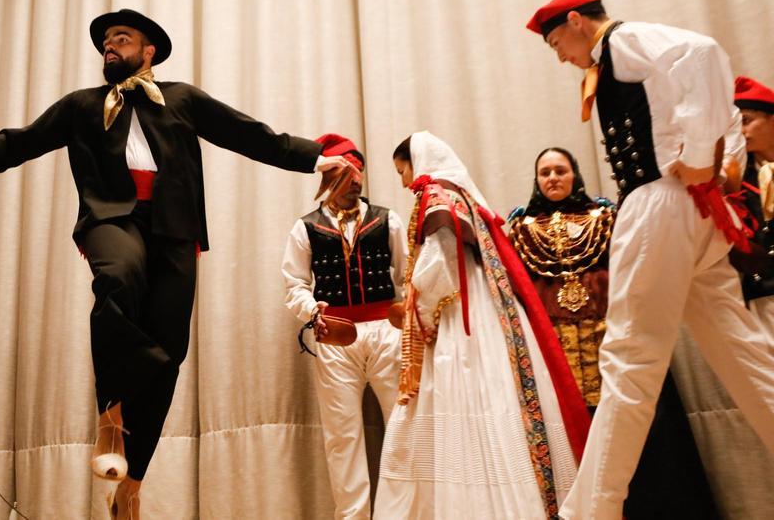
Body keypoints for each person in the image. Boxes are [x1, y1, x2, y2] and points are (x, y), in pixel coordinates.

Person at [0, 8, 352, 519]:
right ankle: (109, 416)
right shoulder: (81, 107)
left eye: (121, 39)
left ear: (148, 52)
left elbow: (249, 134)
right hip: (111, 217)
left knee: (169, 353)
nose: (109, 46)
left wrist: (314, 157)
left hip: (174, 228)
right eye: (104, 41)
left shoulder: (183, 99)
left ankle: (131, 486)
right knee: (119, 276)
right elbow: (17, 142)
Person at [528, 0, 774, 519]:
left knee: (629, 356)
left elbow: (702, 52)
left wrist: (699, 153)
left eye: (556, 43)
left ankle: (592, 510)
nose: (561, 56)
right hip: (689, 210)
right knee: (742, 351)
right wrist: (720, 156)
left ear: (575, 21)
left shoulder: (621, 41)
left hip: (659, 203)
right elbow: (709, 85)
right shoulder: (616, 56)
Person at [376, 131, 590, 519]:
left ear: (416, 162)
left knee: (462, 399)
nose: (404, 181)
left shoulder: (436, 197)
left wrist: (416, 310)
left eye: (402, 170)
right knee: (496, 398)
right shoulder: (462, 198)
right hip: (489, 314)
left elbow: (439, 266)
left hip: (461, 316)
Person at [509, 147, 718, 519]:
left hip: (609, 335)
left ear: (575, 174)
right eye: (545, 173)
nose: (553, 178)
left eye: (560, 170)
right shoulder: (522, 230)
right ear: (537, 180)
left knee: (631, 424)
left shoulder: (605, 218)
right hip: (554, 348)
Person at [281, 134, 404, 520]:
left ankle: (403, 514)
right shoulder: (306, 228)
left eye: (357, 172)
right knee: (342, 438)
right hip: (335, 339)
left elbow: (408, 274)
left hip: (387, 333)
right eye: (345, 172)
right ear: (327, 175)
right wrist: (310, 310)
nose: (354, 180)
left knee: (403, 429)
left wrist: (409, 322)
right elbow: (294, 284)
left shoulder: (388, 219)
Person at [730, 76, 774, 339]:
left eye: (746, 121)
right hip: (764, 292)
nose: (741, 132)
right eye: (735, 125)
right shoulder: (737, 183)